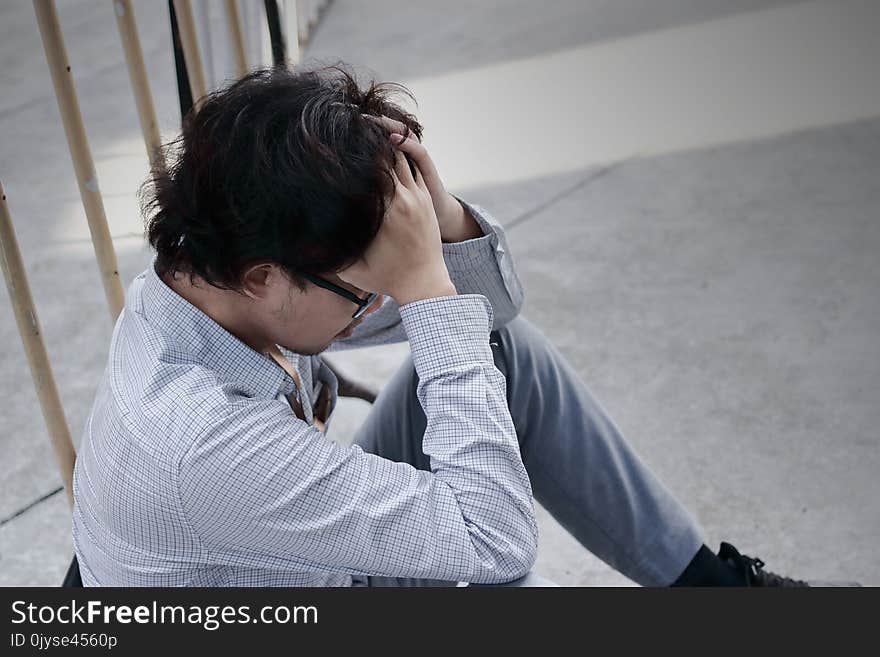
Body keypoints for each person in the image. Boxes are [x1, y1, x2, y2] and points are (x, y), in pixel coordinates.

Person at [71, 64, 828, 587]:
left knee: (497, 355)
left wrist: (444, 225)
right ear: (265, 277)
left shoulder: (212, 272)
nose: (377, 309)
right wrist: (426, 291)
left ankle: (713, 590)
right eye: (365, 295)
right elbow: (494, 542)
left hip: (297, 559)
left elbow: (489, 315)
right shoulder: (197, 441)